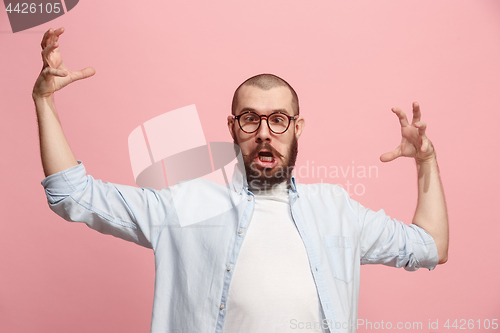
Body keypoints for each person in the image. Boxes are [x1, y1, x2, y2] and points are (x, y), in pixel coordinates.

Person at [34, 27, 449, 333]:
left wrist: (426, 161)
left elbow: (430, 246)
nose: (265, 132)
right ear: (233, 127)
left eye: (278, 119)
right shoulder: (185, 208)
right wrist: (45, 102)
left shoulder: (337, 210)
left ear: (297, 128)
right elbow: (73, 195)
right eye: (251, 118)